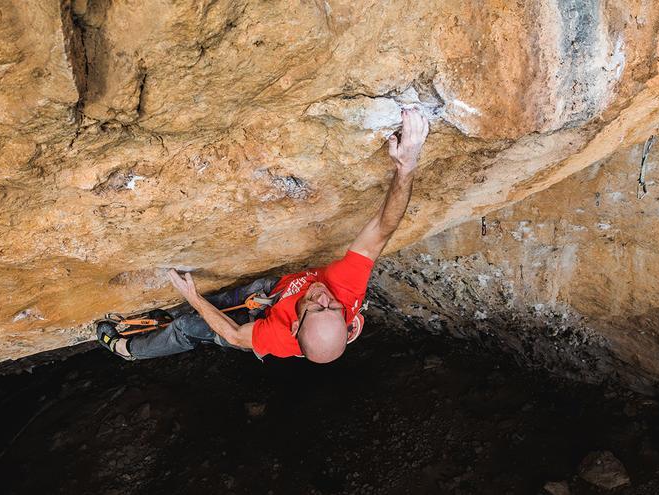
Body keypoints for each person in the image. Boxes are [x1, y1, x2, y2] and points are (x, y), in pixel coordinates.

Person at [97, 108, 429, 363]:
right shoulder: (343, 291)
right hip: (272, 294)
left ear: (296, 326)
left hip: (260, 319)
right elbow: (383, 228)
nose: (324, 296)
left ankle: (129, 349)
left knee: (189, 327)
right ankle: (180, 317)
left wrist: (194, 297)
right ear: (349, 321)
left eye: (316, 307)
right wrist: (407, 165)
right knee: (243, 295)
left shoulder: (279, 338)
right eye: (333, 308)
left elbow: (233, 333)